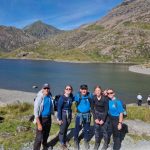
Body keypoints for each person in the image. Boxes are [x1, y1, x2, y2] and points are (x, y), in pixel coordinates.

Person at [33, 83, 54, 150]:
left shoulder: (50, 96)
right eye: (45, 88)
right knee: (39, 137)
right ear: (42, 89)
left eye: (48, 88)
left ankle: (45, 145)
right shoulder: (39, 97)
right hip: (41, 119)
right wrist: (39, 124)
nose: (46, 89)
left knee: (46, 134)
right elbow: (36, 112)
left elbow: (51, 107)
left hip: (48, 118)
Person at [74, 84, 93, 150]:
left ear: (87, 90)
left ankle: (86, 140)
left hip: (87, 115)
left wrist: (103, 93)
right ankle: (76, 140)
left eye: (85, 89)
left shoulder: (90, 95)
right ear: (80, 90)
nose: (84, 90)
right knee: (77, 128)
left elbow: (97, 96)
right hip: (79, 115)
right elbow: (70, 97)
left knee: (87, 128)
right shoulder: (77, 96)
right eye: (82, 89)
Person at [91, 86, 109, 150]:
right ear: (94, 92)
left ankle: (106, 144)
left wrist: (103, 120)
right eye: (96, 90)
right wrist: (95, 118)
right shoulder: (93, 98)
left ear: (101, 91)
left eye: (99, 90)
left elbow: (107, 110)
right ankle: (97, 143)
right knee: (96, 130)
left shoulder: (105, 99)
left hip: (104, 115)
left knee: (104, 130)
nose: (97, 92)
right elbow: (92, 109)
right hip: (96, 114)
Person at [57, 85, 74, 150]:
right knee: (62, 129)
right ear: (65, 90)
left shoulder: (71, 97)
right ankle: (61, 143)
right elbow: (59, 109)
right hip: (63, 114)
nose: (68, 90)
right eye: (67, 89)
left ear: (71, 90)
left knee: (66, 127)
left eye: (70, 89)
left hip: (69, 113)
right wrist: (59, 119)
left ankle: (65, 139)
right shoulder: (62, 98)